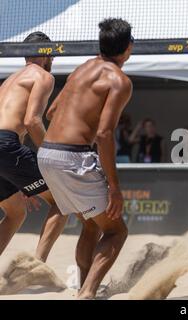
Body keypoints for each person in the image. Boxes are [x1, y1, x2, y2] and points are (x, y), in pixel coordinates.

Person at [37, 18, 133, 299]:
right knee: (116, 231)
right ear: (128, 48)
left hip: (47, 153)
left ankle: (84, 285)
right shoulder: (119, 80)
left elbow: (51, 112)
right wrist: (114, 188)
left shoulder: (81, 70)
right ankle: (88, 292)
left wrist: (78, 122)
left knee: (91, 222)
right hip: (72, 157)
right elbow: (104, 134)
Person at [0, 32, 67, 261]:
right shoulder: (43, 77)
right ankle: (36, 266)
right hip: (6, 145)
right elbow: (32, 121)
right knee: (62, 201)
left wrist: (19, 178)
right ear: (47, 55)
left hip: (6, 147)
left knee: (15, 212)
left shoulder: (10, 80)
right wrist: (52, 157)